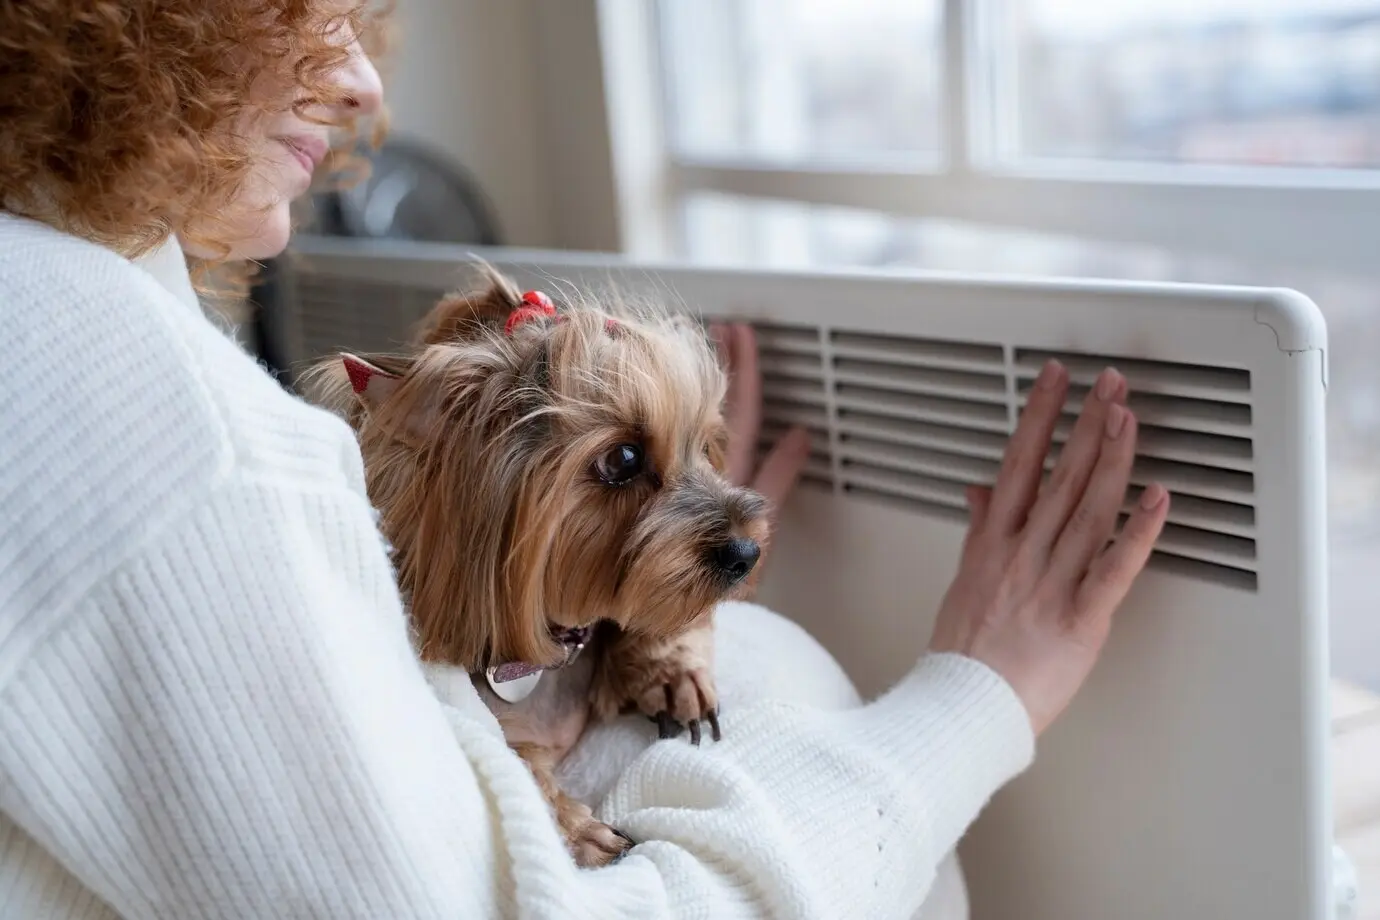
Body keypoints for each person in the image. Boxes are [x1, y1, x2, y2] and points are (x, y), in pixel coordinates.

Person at [0, 3, 1170, 919]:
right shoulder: (155, 431)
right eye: (305, 10)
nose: (362, 86)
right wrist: (978, 696)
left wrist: (628, 549)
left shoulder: (80, 319)